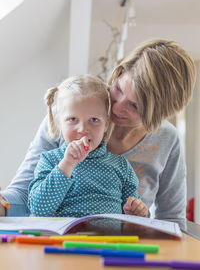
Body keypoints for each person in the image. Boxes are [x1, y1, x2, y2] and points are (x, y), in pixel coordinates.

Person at [0, 39, 196, 230]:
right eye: (118, 89)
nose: (117, 107)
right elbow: (24, 193)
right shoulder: (70, 115)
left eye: (134, 106)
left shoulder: (167, 139)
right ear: (118, 73)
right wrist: (3, 205)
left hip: (122, 249)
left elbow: (171, 220)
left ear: (159, 114)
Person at [28, 75, 147, 217]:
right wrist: (66, 165)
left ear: (106, 125)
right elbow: (38, 208)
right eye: (73, 119)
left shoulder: (121, 166)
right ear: (60, 123)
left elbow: (134, 215)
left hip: (108, 238)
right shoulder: (50, 160)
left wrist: (137, 211)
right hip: (64, 238)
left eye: (94, 120)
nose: (83, 129)